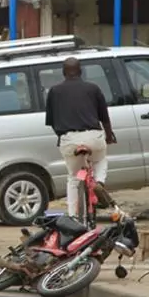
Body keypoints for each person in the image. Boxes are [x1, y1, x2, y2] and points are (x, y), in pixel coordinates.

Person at [45, 57, 117, 217]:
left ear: (63, 73)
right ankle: (99, 183)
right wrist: (109, 136)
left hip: (70, 140)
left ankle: (72, 216)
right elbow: (104, 117)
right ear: (81, 71)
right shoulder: (93, 88)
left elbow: (51, 122)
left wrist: (64, 136)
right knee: (100, 160)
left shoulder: (54, 91)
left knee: (73, 177)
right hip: (94, 137)